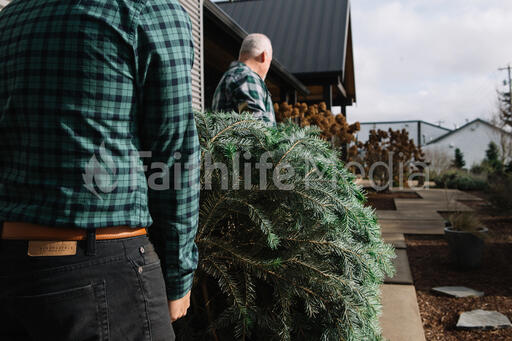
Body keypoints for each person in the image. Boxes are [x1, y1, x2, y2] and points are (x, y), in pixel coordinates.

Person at [0, 0, 200, 340]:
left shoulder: (11, 17)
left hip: (11, 265)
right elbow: (174, 153)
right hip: (105, 267)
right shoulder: (148, 9)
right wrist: (179, 273)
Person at [212, 33, 276, 125]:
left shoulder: (228, 77)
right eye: (270, 61)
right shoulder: (247, 77)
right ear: (264, 56)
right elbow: (256, 130)